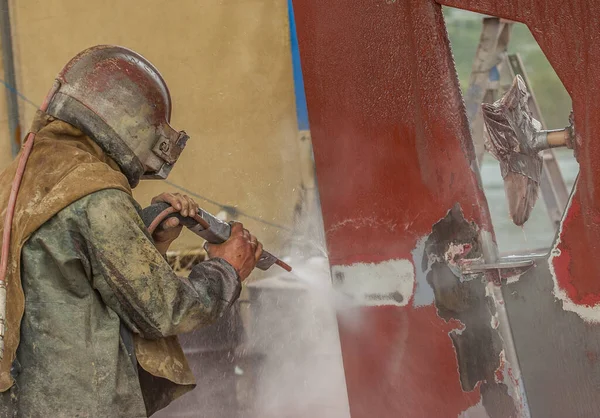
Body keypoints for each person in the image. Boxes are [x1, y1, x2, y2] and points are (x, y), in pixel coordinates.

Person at [0, 45, 262, 417]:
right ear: (128, 124)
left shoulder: (21, 176)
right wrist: (226, 270)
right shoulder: (95, 193)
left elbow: (74, 283)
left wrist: (152, 240)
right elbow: (163, 311)